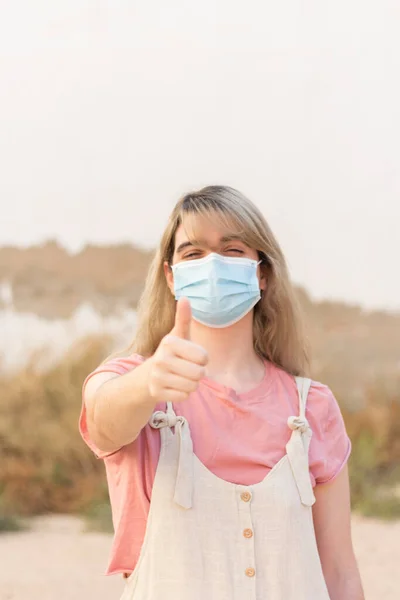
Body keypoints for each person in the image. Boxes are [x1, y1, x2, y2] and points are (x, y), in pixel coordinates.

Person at [79, 186, 364, 599]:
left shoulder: (312, 407)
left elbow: (339, 572)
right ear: (171, 276)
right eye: (193, 253)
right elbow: (103, 421)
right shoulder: (137, 383)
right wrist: (150, 380)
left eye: (232, 249)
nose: (212, 265)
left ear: (262, 273)